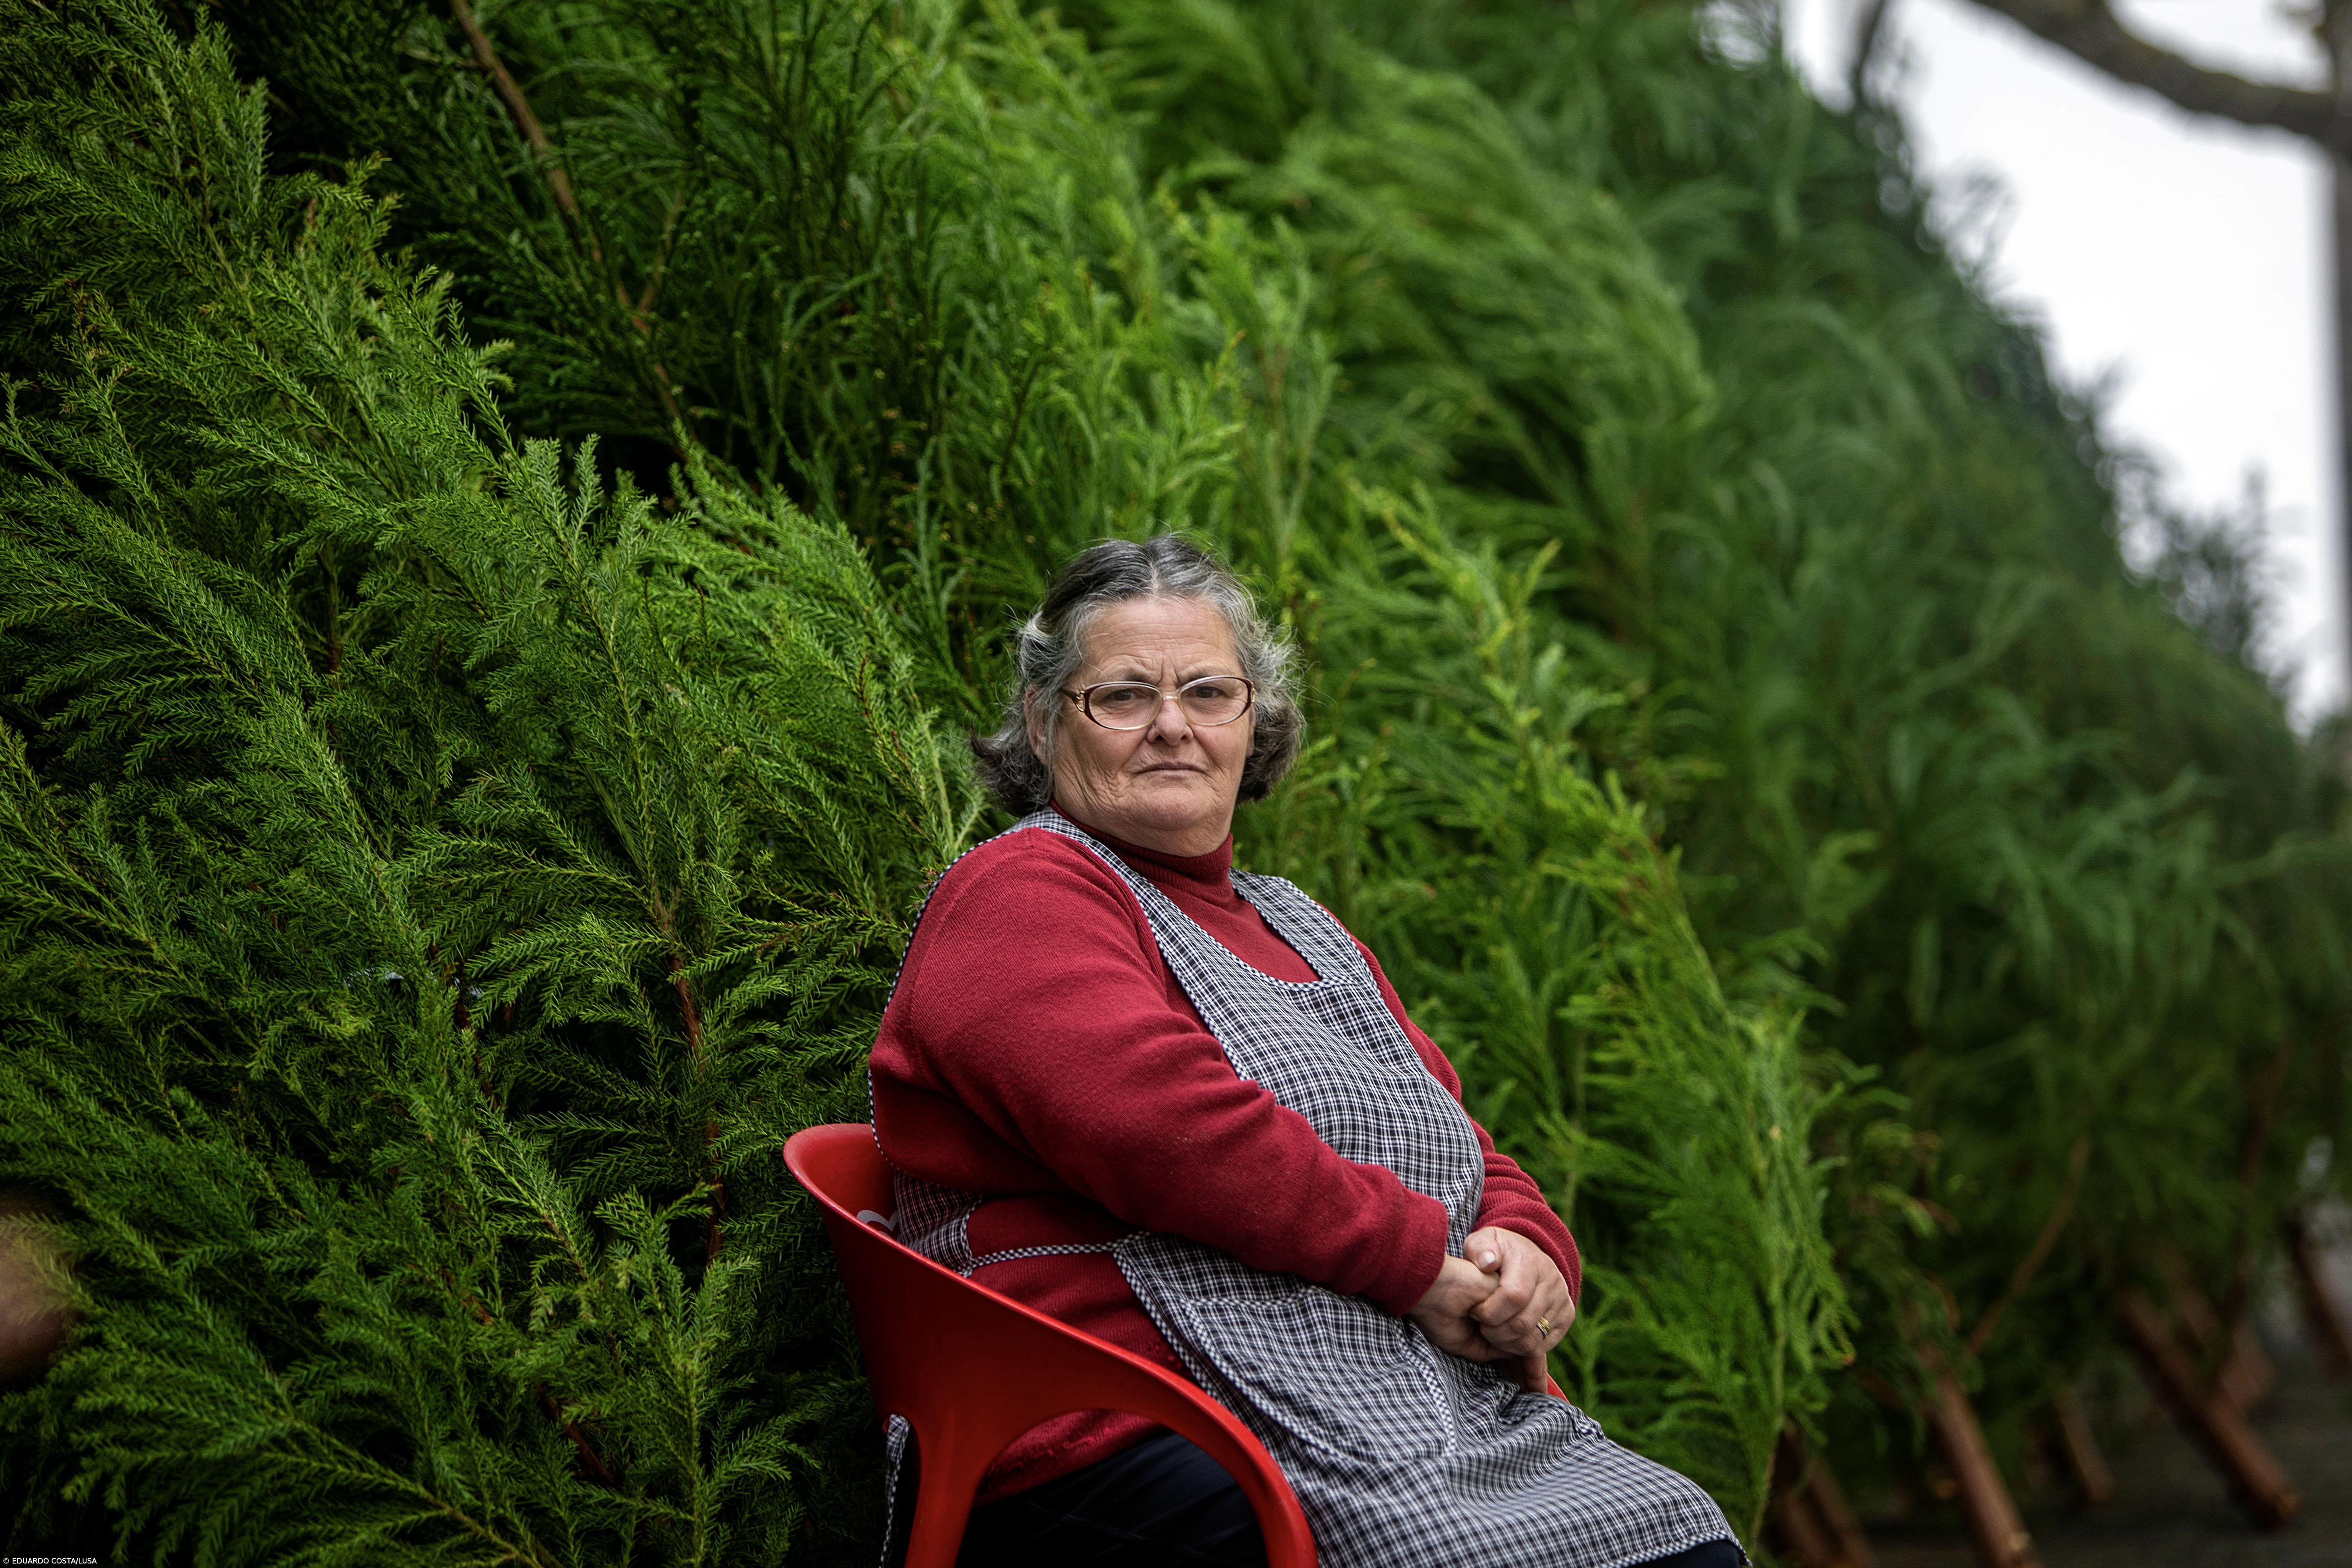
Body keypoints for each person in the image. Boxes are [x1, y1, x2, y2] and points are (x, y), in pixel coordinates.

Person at [868, 536, 1741, 1568]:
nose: (1172, 725)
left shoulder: (1299, 923)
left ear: (1256, 722)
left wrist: (1527, 1246)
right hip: (1112, 1411)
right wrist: (1417, 1266)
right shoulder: (1021, 892)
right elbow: (1165, 1131)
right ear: (1043, 720)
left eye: (1209, 692)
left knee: (1678, 1538)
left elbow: (1448, 1132)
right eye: (1122, 696)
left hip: (1364, 1397)